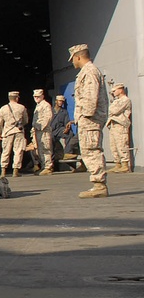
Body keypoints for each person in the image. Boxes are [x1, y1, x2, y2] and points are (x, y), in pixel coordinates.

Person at [70, 43, 109, 198]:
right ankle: (98, 184)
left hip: (90, 119)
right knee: (89, 150)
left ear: (78, 56)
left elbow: (91, 98)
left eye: (73, 58)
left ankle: (100, 185)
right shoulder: (87, 72)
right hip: (88, 119)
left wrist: (85, 116)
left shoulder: (90, 72)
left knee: (92, 150)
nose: (72, 61)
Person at [0, 91, 28, 178]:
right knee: (18, 151)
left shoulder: (3, 108)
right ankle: (16, 170)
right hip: (18, 131)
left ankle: (3, 170)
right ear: (17, 98)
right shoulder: (22, 107)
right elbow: (26, 120)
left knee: (6, 151)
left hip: (7, 132)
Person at [107, 82, 132, 173]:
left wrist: (112, 109)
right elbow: (110, 111)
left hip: (120, 124)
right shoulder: (116, 101)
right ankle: (118, 164)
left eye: (114, 90)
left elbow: (114, 110)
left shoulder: (125, 100)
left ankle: (125, 165)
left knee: (121, 144)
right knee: (113, 146)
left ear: (120, 90)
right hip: (113, 124)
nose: (113, 92)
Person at [30, 89, 54, 175]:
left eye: (38, 96)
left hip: (44, 131)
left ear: (42, 96)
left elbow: (48, 117)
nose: (36, 98)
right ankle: (44, 166)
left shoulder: (46, 105)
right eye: (35, 97)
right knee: (40, 150)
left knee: (46, 148)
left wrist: (41, 127)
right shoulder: (38, 106)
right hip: (38, 131)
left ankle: (48, 166)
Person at [49, 95, 73, 169]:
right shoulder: (50, 110)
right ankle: (51, 164)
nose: (61, 103)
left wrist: (67, 128)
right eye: (59, 101)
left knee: (70, 134)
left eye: (62, 101)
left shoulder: (64, 112)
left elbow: (67, 122)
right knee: (51, 143)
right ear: (56, 101)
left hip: (59, 129)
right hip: (50, 130)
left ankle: (67, 153)